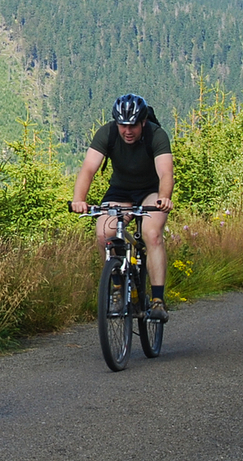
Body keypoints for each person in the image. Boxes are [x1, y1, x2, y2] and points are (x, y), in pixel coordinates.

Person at [71, 93, 175, 322]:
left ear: (143, 122)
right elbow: (88, 168)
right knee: (104, 234)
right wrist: (79, 199)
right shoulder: (107, 133)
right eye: (122, 125)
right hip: (120, 191)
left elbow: (166, 172)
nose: (127, 131)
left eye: (133, 126)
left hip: (151, 192)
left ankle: (157, 300)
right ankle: (117, 289)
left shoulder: (156, 135)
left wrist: (164, 198)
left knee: (152, 233)